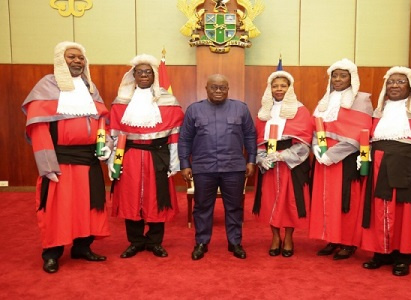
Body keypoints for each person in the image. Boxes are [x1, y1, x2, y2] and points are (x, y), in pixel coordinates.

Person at [21, 41, 111, 273]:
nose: (77, 61)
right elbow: (39, 130)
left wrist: (106, 146)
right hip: (60, 162)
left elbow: (102, 121)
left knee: (88, 207)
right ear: (61, 60)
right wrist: (47, 164)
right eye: (72, 57)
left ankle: (82, 247)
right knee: (56, 209)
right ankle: (52, 253)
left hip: (89, 161)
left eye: (81, 58)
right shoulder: (46, 86)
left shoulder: (91, 88)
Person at [360, 66, 411, 276]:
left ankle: (403, 257)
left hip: (407, 168)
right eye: (390, 82)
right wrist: (363, 160)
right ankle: (381, 253)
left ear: (410, 86)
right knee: (380, 210)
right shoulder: (378, 112)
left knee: (404, 213)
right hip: (379, 168)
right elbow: (367, 141)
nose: (394, 85)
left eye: (400, 82)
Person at [109, 54, 184, 259]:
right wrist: (112, 162)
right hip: (129, 157)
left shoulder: (169, 102)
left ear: (154, 75)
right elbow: (114, 135)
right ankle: (135, 241)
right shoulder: (121, 102)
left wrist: (175, 161)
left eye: (148, 72)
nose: (144, 75)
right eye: (140, 72)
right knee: (130, 200)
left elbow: (175, 135)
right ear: (133, 75)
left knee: (157, 199)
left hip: (158, 158)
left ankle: (155, 242)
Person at [178, 74, 257, 260]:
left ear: (228, 89)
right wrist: (184, 163)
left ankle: (235, 242)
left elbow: (250, 136)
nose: (218, 91)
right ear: (206, 88)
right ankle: (201, 242)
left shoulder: (241, 109)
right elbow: (185, 139)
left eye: (222, 87)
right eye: (214, 87)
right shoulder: (194, 110)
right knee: (203, 207)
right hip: (203, 167)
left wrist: (251, 160)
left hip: (234, 167)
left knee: (234, 207)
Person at [309, 59, 373, 260]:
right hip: (322, 159)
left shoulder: (361, 100)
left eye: (343, 75)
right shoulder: (324, 100)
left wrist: (331, 155)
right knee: (326, 199)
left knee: (346, 201)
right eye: (334, 75)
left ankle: (348, 242)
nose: (337, 79)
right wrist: (317, 149)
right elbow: (315, 127)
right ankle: (332, 238)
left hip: (345, 160)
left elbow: (360, 133)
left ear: (352, 78)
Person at [253, 70, 313, 257]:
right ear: (270, 88)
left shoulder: (301, 110)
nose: (279, 89)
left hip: (290, 163)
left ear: (289, 88)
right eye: (275, 86)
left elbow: (304, 142)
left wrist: (281, 156)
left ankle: (288, 238)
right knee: (270, 200)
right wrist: (262, 157)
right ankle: (275, 237)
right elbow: (256, 140)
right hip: (268, 165)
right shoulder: (264, 111)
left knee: (289, 202)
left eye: (283, 86)